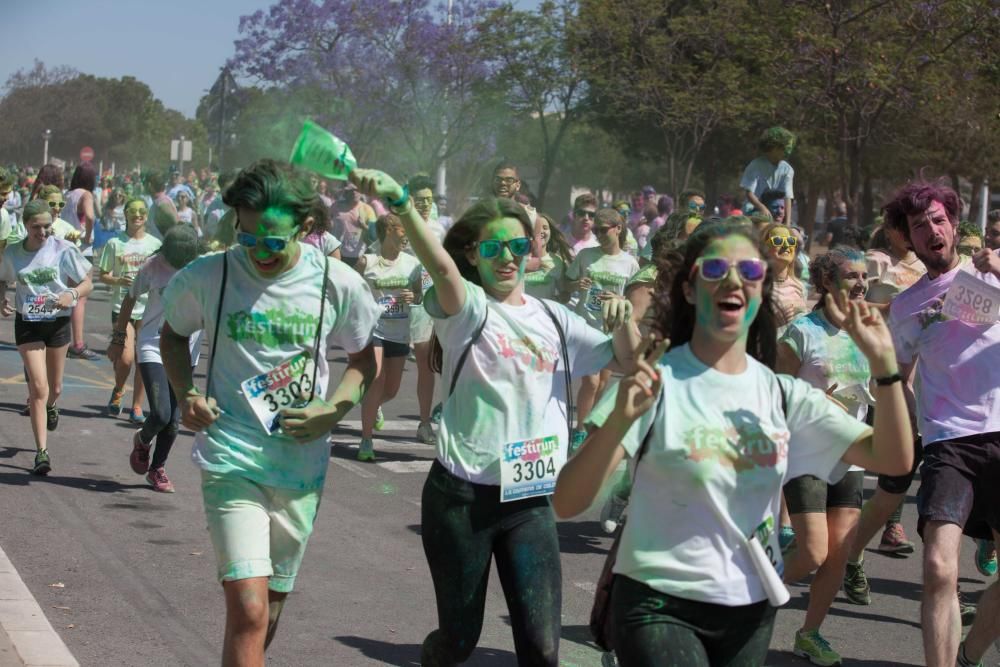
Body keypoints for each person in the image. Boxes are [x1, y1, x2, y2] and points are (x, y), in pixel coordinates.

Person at [553, 221, 913, 667]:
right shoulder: (653, 382)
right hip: (657, 598)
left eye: (748, 271)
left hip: (748, 605)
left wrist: (885, 367)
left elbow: (892, 458)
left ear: (761, 291)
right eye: (716, 268)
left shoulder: (783, 394)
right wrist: (619, 421)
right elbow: (567, 503)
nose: (732, 280)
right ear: (689, 289)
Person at [346, 163, 638, 666]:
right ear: (472, 256)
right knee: (459, 641)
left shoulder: (555, 319)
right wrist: (400, 206)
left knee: (544, 651)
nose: (507, 257)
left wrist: (626, 318)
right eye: (492, 247)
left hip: (530, 500)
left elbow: (628, 360)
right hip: (462, 501)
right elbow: (439, 267)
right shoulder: (467, 310)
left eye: (518, 246)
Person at [159, 159, 379, 663]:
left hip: (300, 469)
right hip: (230, 456)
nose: (259, 250)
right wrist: (186, 393)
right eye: (248, 235)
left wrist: (333, 410)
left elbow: (363, 359)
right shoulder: (210, 275)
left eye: (273, 240)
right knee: (250, 608)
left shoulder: (335, 283)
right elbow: (173, 335)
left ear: (305, 227)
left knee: (267, 613)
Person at [878, 182, 1000, 667]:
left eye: (937, 218)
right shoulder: (906, 308)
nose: (931, 229)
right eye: (918, 225)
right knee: (937, 566)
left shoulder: (990, 272)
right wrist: (903, 418)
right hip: (949, 443)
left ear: (953, 223)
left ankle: (968, 655)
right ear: (909, 238)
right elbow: (894, 379)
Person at [776, 246, 874, 665]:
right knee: (813, 552)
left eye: (864, 276)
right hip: (807, 452)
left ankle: (809, 634)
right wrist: (816, 405)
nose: (861, 283)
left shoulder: (865, 329)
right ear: (826, 282)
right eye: (852, 276)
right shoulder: (801, 331)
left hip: (851, 453)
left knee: (838, 553)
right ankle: (742, 599)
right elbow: (775, 392)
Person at [0, 200, 94, 475]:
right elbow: (2, 279)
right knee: (38, 388)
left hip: (57, 323)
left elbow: (88, 282)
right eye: (36, 228)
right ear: (25, 226)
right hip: (28, 323)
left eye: (46, 227)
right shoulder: (14, 253)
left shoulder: (63, 249)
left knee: (55, 389)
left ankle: (53, 407)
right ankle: (42, 452)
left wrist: (72, 294)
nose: (42, 233)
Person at [110, 225, 204, 492]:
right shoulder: (154, 265)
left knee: (174, 420)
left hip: (188, 351)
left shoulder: (205, 269)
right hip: (153, 344)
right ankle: (143, 438)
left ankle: (157, 469)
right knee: (161, 414)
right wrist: (119, 338)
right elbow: (130, 298)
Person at [565, 208, 640, 450]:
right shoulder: (586, 256)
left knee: (602, 383)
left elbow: (634, 298)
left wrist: (619, 300)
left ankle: (589, 427)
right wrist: (577, 283)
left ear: (618, 229)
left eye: (602, 229)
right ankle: (578, 430)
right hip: (585, 326)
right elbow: (566, 285)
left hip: (611, 330)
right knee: (592, 382)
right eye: (595, 230)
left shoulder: (630, 263)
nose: (597, 233)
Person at [354, 213, 424, 461]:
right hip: (374, 329)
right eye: (403, 230)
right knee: (377, 378)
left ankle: (371, 406)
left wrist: (414, 298)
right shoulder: (367, 261)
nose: (406, 236)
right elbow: (350, 289)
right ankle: (366, 440)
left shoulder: (413, 264)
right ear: (389, 231)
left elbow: (420, 294)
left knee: (391, 390)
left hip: (400, 331)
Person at [98, 198, 163, 423]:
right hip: (122, 307)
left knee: (142, 359)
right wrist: (118, 280)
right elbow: (103, 274)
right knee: (125, 359)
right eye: (133, 211)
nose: (138, 215)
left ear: (147, 215)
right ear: (125, 215)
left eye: (142, 211)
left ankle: (137, 407)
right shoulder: (115, 243)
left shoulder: (155, 245)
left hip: (149, 309)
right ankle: (118, 389)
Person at [407, 175, 447, 445]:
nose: (424, 205)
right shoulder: (401, 224)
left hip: (434, 303)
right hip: (408, 305)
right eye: (419, 200)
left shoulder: (439, 229)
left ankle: (432, 420)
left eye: (428, 200)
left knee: (437, 364)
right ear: (410, 198)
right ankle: (423, 423)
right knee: (419, 367)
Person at [61, 162, 99, 360]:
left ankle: (64, 339)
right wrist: (88, 235)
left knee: (69, 294)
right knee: (80, 297)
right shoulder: (86, 195)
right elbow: (90, 216)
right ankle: (77, 343)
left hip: (66, 246)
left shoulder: (68, 195)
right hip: (82, 248)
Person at [741, 126, 796, 222]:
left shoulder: (788, 170)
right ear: (772, 147)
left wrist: (787, 224)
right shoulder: (755, 165)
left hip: (778, 213)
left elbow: (788, 197)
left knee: (797, 236)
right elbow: (749, 193)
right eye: (782, 147)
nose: (787, 151)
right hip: (754, 210)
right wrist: (762, 207)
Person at [761, 222, 808, 333]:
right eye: (778, 241)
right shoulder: (757, 287)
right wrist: (776, 323)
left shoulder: (799, 286)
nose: (786, 246)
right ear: (764, 249)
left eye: (790, 241)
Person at [524, 213, 572, 301]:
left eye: (545, 228)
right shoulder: (520, 258)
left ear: (550, 232)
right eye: (536, 228)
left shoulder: (557, 262)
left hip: (543, 313)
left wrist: (556, 300)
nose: (541, 231)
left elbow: (565, 294)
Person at [331, 182, 377, 268]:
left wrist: (364, 226)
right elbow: (326, 224)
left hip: (357, 256)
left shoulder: (368, 209)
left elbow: (374, 235)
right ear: (345, 193)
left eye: (357, 190)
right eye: (351, 190)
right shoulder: (336, 206)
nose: (354, 193)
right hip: (337, 253)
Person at [144, 170, 179, 240]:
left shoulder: (162, 204)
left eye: (144, 183)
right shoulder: (158, 203)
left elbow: (178, 228)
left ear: (149, 185)